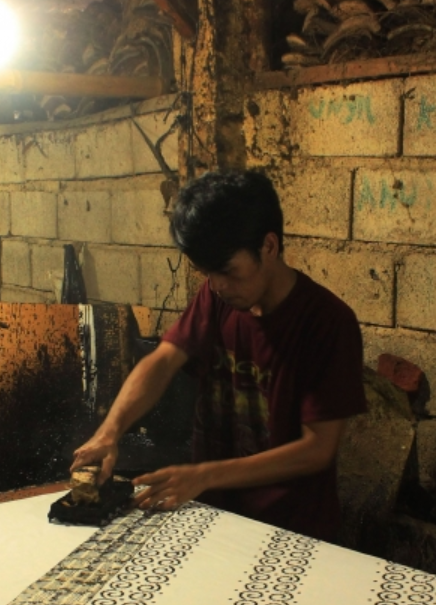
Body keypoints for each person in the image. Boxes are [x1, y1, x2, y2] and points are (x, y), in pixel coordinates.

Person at [70, 170, 366, 541]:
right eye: (206, 272)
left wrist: (206, 474)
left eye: (228, 272)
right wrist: (108, 432)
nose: (218, 286)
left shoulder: (326, 323)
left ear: (269, 247)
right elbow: (162, 361)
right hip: (216, 517)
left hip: (291, 529)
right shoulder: (218, 298)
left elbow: (317, 449)